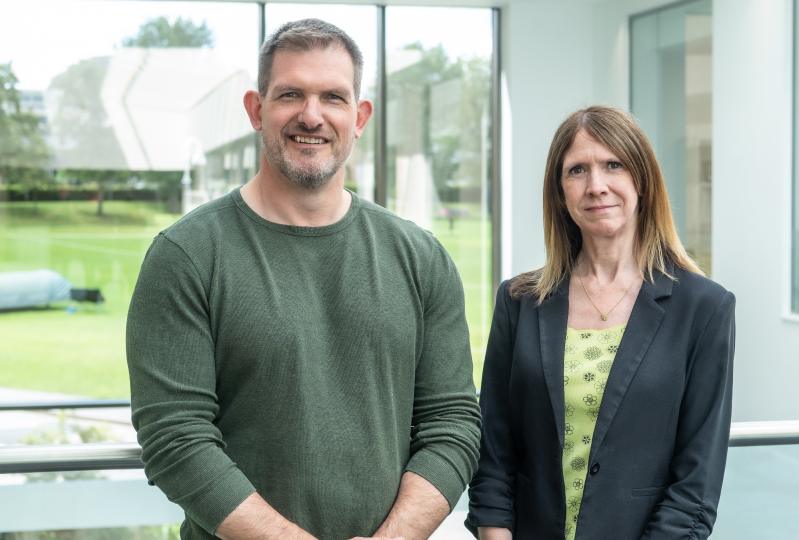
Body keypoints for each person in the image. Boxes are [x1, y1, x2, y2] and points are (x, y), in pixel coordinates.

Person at [126, 18, 480, 540]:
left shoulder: (420, 257)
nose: (311, 116)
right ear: (255, 109)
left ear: (359, 116)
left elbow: (451, 424)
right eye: (291, 94)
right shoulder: (186, 256)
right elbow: (177, 439)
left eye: (333, 97)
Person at [465, 106, 735, 539]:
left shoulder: (704, 308)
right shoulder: (519, 302)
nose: (596, 186)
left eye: (613, 165)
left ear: (641, 181)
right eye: (577, 170)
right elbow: (494, 458)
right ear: (560, 192)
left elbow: (695, 488)